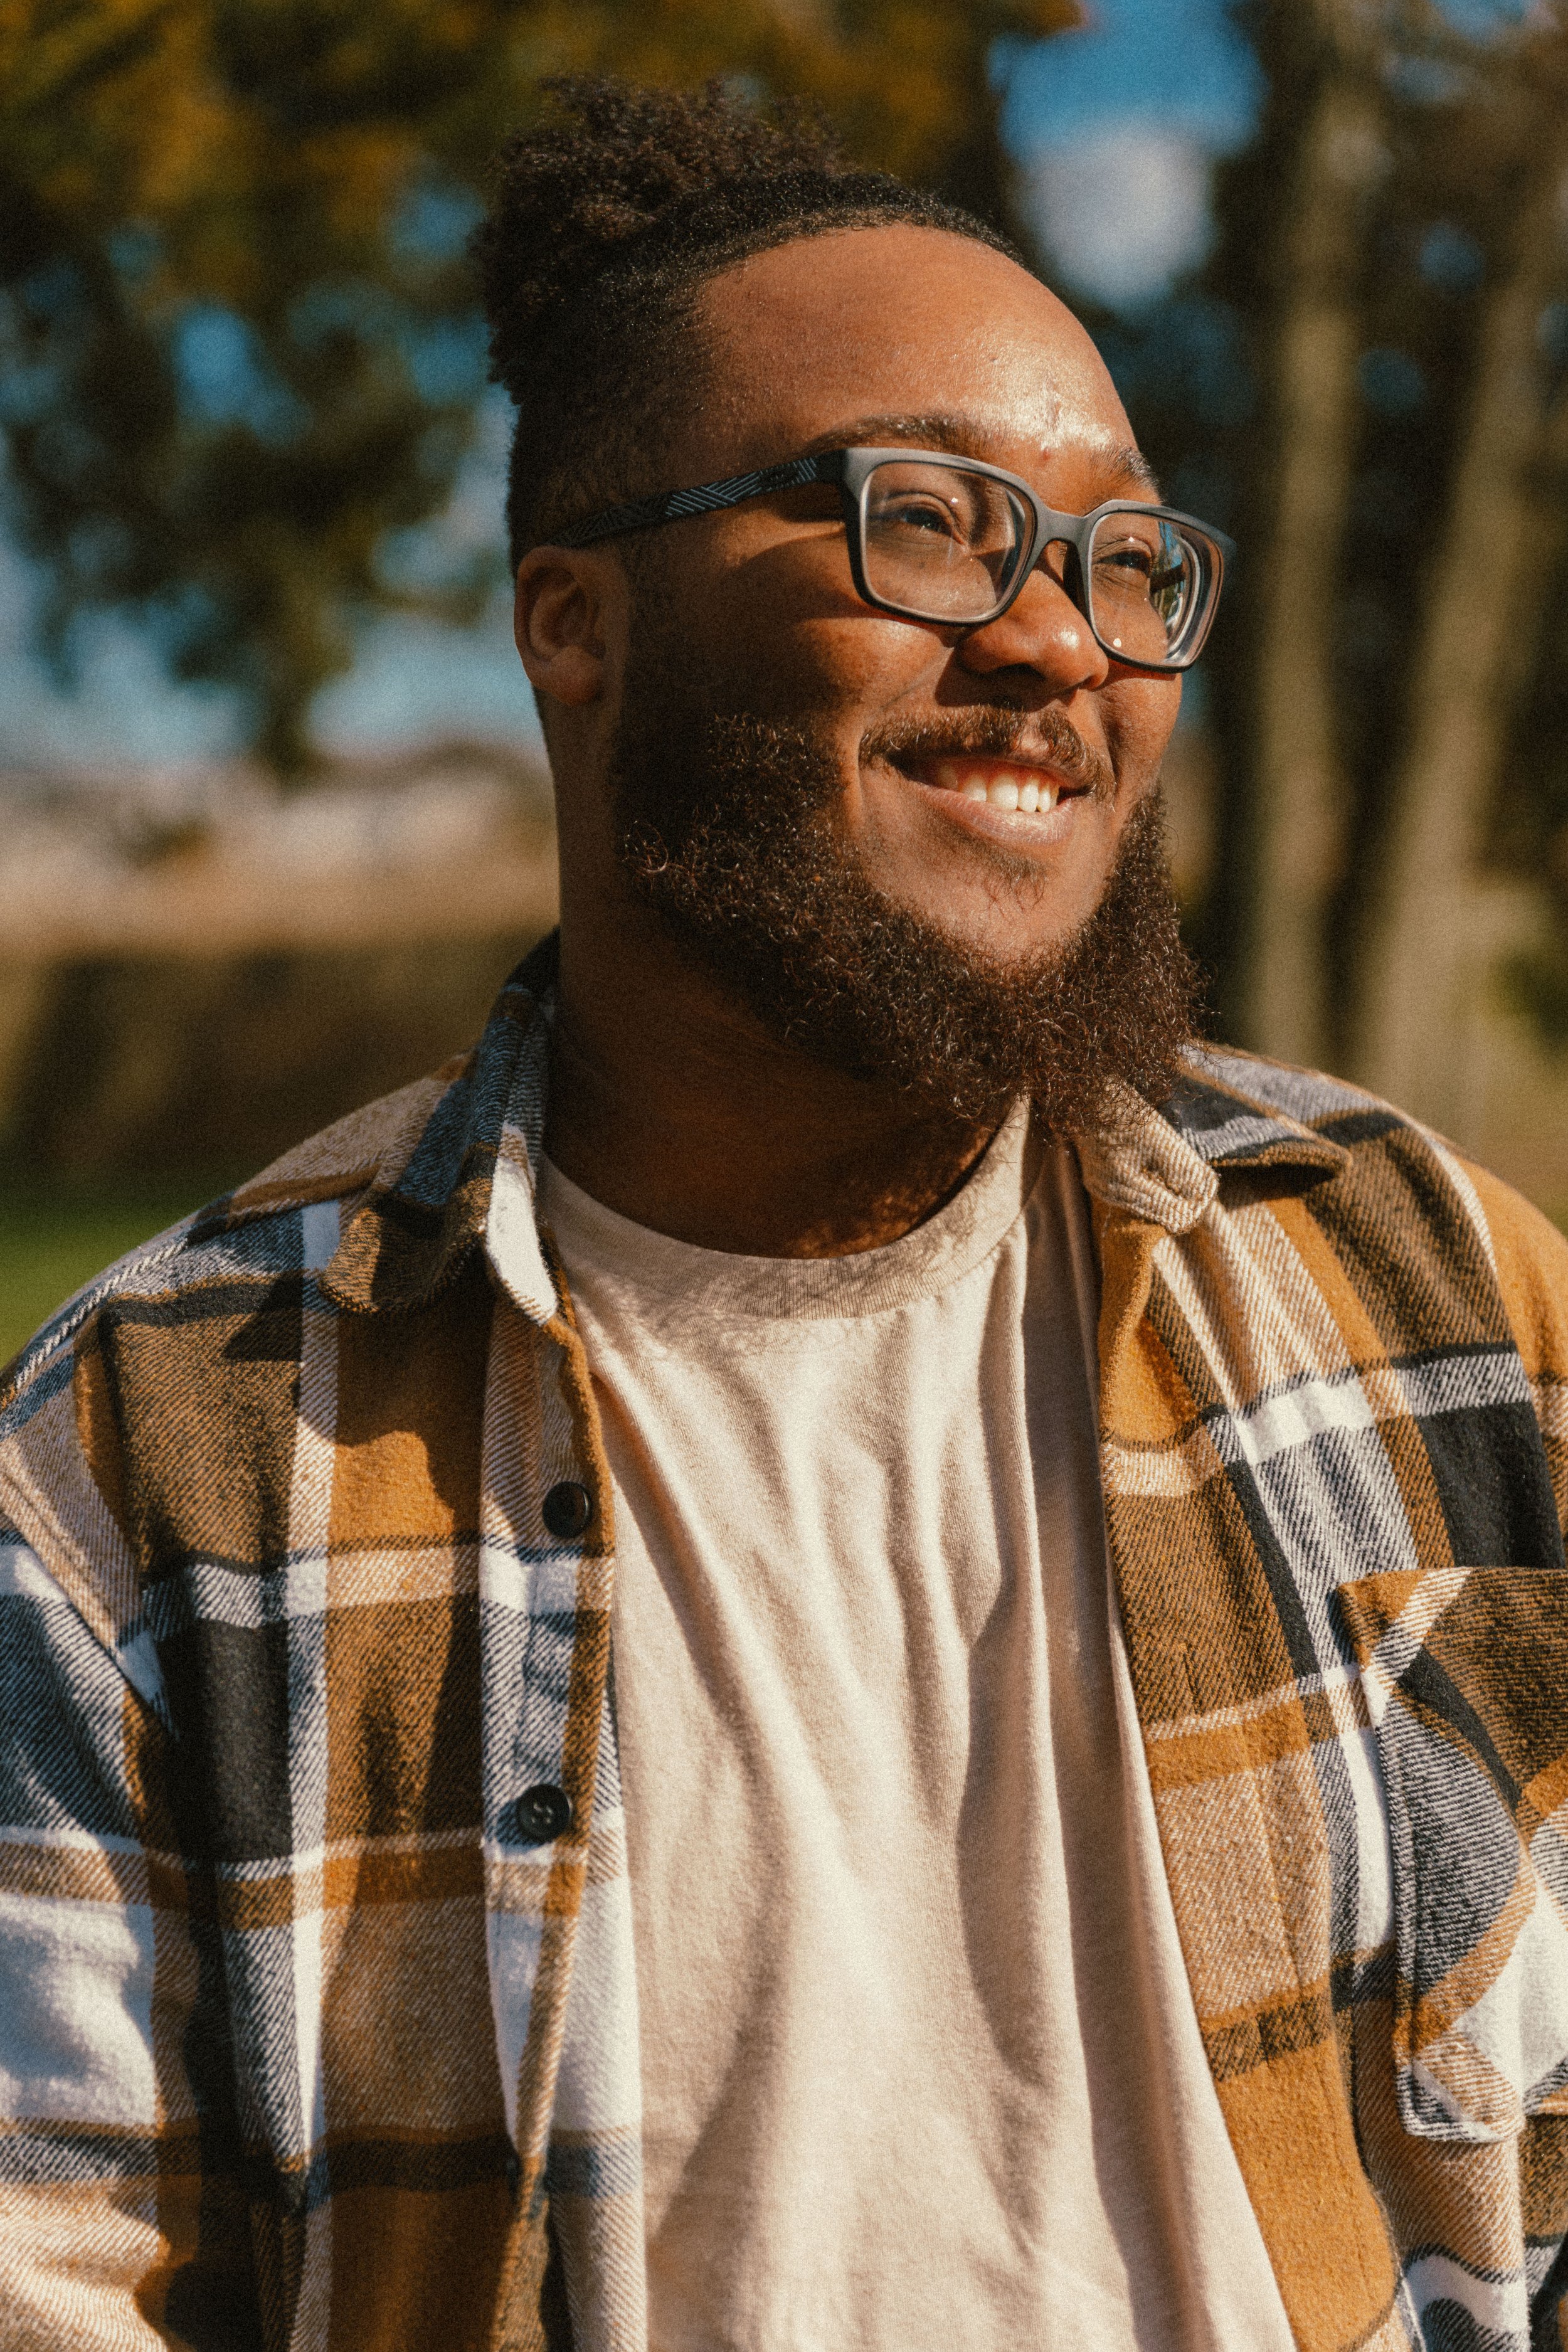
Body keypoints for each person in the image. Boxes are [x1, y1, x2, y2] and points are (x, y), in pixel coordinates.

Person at [0, 75, 1564, 2352]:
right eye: (923, 524)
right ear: (570, 623)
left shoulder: (1426, 1283)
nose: (1059, 643)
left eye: (1123, 557)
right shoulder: (162, 1459)